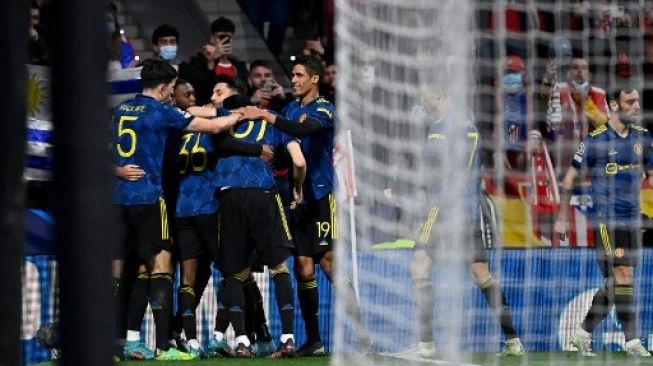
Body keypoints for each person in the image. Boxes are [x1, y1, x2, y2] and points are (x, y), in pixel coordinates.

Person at [238, 55, 371, 356]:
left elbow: (304, 131)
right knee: (302, 267)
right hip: (296, 197)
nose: (294, 80)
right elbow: (286, 147)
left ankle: (362, 335)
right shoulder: (289, 109)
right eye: (292, 75)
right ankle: (314, 340)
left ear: (315, 79)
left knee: (329, 264)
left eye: (299, 75)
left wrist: (264, 115)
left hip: (322, 194)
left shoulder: (324, 107)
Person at [112, 59, 241, 361]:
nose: (172, 95)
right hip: (148, 197)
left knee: (118, 274)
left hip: (117, 200)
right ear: (162, 88)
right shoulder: (160, 111)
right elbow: (213, 126)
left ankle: (115, 343)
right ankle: (162, 346)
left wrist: (117, 171)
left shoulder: (120, 110)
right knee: (162, 268)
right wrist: (238, 114)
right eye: (171, 89)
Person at [400, 89, 524, 358]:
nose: (423, 98)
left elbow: (437, 169)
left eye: (427, 93)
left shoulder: (443, 128)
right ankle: (513, 341)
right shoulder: (466, 126)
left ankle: (426, 344)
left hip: (443, 208)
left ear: (443, 94)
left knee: (419, 266)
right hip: (467, 211)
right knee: (481, 273)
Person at [192, 76, 306, 358]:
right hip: (263, 195)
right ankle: (288, 340)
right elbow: (299, 160)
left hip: (229, 196)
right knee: (279, 267)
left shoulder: (221, 116)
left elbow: (193, 115)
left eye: (218, 92)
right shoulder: (271, 118)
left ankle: (242, 341)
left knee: (234, 271)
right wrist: (298, 189)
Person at [170, 78, 273, 359]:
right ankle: (245, 336)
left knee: (191, 279)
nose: (207, 98)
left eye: (218, 93)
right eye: (189, 94)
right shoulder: (215, 127)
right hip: (212, 207)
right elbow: (230, 141)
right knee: (236, 273)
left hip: (181, 209)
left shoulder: (178, 128)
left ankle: (192, 340)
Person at [554, 87, 652, 357]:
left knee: (617, 282)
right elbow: (569, 179)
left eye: (637, 101)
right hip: (606, 221)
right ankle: (633, 342)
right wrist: (562, 218)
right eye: (630, 101)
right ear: (613, 105)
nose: (635, 106)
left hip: (633, 221)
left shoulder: (643, 137)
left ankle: (582, 334)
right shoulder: (595, 139)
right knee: (623, 275)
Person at [542, 57, 610, 176]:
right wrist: (548, 78)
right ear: (569, 72)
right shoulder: (559, 88)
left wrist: (586, 103)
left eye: (583, 68)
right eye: (575, 68)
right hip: (563, 148)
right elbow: (543, 96)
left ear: (589, 73)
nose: (579, 71)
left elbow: (605, 126)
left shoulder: (598, 93)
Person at [179, 17, 248, 105]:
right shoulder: (198, 62)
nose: (225, 41)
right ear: (212, 38)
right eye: (220, 37)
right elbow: (199, 89)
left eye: (228, 38)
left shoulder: (238, 65)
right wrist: (211, 61)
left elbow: (244, 90)